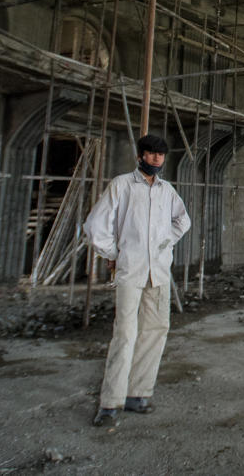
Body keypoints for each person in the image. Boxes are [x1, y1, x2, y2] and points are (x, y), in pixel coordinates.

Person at [84, 134, 191, 427]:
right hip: (130, 271)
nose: (157, 159)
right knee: (126, 333)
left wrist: (165, 242)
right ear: (141, 155)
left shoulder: (167, 191)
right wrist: (114, 253)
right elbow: (95, 226)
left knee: (156, 329)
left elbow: (183, 221)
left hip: (158, 271)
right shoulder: (121, 185)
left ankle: (138, 393)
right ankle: (110, 402)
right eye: (151, 154)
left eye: (161, 155)